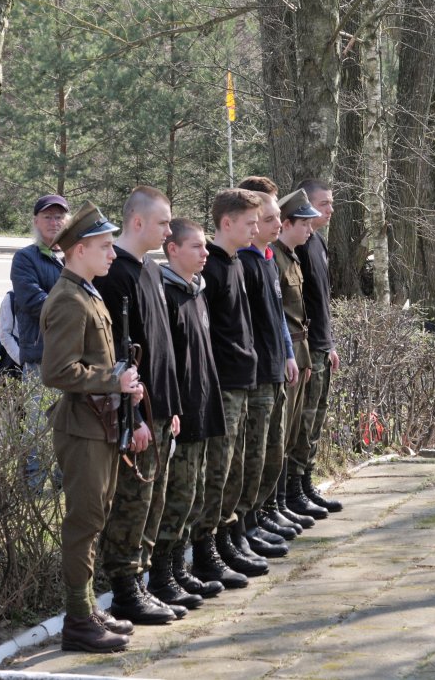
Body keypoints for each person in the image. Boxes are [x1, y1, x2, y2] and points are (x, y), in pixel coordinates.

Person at [39, 201, 137, 653]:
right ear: (79, 250)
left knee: (95, 517)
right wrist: (113, 381)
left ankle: (87, 609)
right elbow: (57, 371)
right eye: (104, 246)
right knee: (83, 522)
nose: (113, 254)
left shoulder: (88, 292)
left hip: (99, 422)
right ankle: (78, 621)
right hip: (81, 427)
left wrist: (123, 384)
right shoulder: (69, 298)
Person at [93, 186, 184, 625]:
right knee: (132, 501)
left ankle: (141, 582)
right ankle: (125, 589)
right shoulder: (116, 275)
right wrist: (132, 417)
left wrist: (173, 406)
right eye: (163, 223)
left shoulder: (150, 269)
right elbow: (118, 356)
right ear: (138, 222)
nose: (169, 231)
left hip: (161, 409)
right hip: (138, 414)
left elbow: (162, 345)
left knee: (152, 500)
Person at [190, 188, 267, 588]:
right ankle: (206, 552)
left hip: (242, 380)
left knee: (235, 470)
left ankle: (228, 539)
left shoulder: (237, 263)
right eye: (249, 222)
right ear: (226, 223)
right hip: (223, 386)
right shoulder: (213, 269)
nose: (255, 228)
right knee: (217, 472)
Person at [151, 218, 228, 607]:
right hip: (181, 410)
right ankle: (161, 575)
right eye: (196, 246)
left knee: (194, 495)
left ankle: (179, 569)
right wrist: (174, 407)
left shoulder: (197, 291)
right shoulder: (165, 293)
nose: (205, 253)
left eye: (205, 246)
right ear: (173, 250)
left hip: (202, 404)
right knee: (177, 497)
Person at [236, 188, 304, 559]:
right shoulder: (246, 264)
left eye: (278, 217)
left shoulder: (266, 260)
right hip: (258, 373)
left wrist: (289, 354)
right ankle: (246, 526)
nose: (278, 223)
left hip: (276, 368)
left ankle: (260, 515)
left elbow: (278, 316)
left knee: (273, 452)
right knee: (254, 455)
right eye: (269, 219)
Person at [270, 189, 325, 532]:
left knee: (293, 434)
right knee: (282, 436)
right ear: (287, 223)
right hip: (288, 353)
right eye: (304, 223)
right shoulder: (274, 258)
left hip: (300, 351)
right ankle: (276, 504)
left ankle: (287, 499)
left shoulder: (291, 257)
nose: (310, 228)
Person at [290, 179, 343, 514]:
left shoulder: (318, 242)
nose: (330, 210)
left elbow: (322, 301)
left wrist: (330, 343)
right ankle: (294, 489)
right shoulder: (299, 246)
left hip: (322, 347)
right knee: (302, 423)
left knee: (315, 421)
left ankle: (306, 483)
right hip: (306, 350)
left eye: (330, 203)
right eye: (324, 204)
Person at [11, 195, 69, 487]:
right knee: (37, 425)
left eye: (59, 217)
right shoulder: (25, 258)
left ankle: (62, 484)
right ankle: (34, 487)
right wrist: (75, 309)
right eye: (47, 217)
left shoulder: (76, 255)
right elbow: (33, 301)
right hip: (40, 356)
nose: (54, 222)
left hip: (75, 356)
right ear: (35, 221)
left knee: (69, 423)